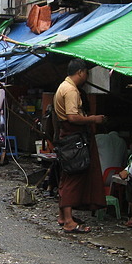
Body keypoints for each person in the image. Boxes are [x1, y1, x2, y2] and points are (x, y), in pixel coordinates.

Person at [53, 59, 106, 233]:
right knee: (74, 175)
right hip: (73, 136)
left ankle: (63, 216)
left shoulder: (64, 86)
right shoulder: (70, 90)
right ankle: (68, 221)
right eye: (87, 73)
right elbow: (73, 117)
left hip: (69, 136)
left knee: (68, 175)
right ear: (81, 72)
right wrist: (93, 119)